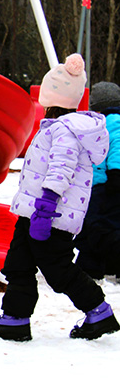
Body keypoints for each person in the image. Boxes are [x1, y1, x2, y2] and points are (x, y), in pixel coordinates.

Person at [0, 54, 118, 342]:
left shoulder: (66, 131)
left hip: (49, 214)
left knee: (57, 269)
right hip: (32, 212)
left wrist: (46, 206)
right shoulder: (55, 128)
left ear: (54, 95)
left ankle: (98, 311)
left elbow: (60, 170)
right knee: (18, 264)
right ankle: (14, 319)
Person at [75, 81, 120, 279]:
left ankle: (90, 267)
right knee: (104, 225)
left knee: (96, 225)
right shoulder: (103, 122)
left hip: (108, 182)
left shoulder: (114, 121)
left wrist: (116, 172)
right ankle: (106, 264)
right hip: (101, 181)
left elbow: (117, 147)